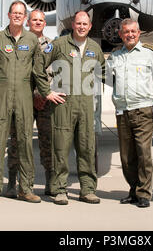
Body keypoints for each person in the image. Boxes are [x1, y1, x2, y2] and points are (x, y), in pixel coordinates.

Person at [0, 1, 64, 204]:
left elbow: (38, 71)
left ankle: (25, 189)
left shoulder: (32, 41)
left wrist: (45, 92)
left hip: (25, 97)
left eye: (21, 13)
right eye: (14, 13)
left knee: (26, 142)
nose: (17, 16)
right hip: (1, 97)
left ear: (23, 17)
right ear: (9, 15)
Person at [33, 10, 105, 205]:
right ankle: (59, 190)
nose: (81, 27)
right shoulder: (58, 45)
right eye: (78, 23)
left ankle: (88, 189)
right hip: (63, 105)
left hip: (86, 106)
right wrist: (46, 91)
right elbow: (38, 66)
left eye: (85, 24)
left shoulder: (94, 48)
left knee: (87, 148)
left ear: (90, 27)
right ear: (73, 24)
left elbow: (104, 72)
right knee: (60, 149)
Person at [106, 19, 153, 208]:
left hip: (143, 109)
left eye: (133, 31)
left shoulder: (149, 53)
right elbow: (107, 79)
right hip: (122, 110)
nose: (130, 35)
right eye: (126, 32)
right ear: (121, 35)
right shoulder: (115, 55)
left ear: (139, 33)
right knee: (126, 156)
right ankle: (133, 190)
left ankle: (144, 193)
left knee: (143, 153)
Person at [6, 9, 55, 198]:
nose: (38, 23)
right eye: (34, 19)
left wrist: (42, 94)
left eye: (41, 20)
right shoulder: (20, 42)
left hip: (45, 102)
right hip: (22, 100)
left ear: (45, 23)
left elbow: (55, 72)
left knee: (47, 142)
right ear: (28, 22)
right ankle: (12, 182)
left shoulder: (51, 45)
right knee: (18, 141)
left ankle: (50, 181)